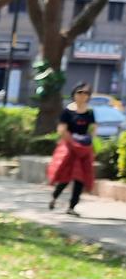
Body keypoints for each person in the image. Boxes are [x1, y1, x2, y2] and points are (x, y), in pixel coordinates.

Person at [48, 82, 96, 216]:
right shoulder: (67, 111)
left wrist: (87, 141)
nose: (83, 95)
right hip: (69, 148)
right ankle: (54, 197)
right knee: (65, 176)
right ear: (74, 94)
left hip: (84, 149)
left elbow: (93, 129)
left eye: (86, 93)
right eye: (80, 92)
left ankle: (72, 207)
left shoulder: (90, 112)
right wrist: (73, 142)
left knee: (80, 179)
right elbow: (62, 129)